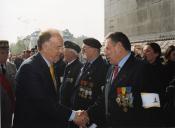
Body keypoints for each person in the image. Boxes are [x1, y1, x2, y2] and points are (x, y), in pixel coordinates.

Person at [81, 32, 164, 128]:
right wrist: (87, 113)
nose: (105, 52)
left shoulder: (143, 69)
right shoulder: (111, 69)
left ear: (119, 46)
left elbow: (152, 108)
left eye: (107, 48)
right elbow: (105, 98)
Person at [12, 29, 88, 128]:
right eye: (59, 47)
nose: (61, 51)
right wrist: (73, 115)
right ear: (45, 46)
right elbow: (43, 103)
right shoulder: (30, 68)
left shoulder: (48, 65)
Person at [71, 38, 108, 127]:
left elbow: (102, 97)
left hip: (92, 118)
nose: (82, 51)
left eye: (85, 49)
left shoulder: (103, 68)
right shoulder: (85, 65)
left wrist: (90, 116)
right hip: (79, 114)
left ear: (94, 50)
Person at [59, 40, 82, 108]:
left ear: (72, 53)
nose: (63, 54)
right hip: (63, 105)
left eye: (65, 52)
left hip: (71, 107)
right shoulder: (67, 66)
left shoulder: (79, 68)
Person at [0, 40, 16, 128]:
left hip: (9, 108)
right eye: (2, 53)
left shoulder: (12, 66)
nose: (5, 55)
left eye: (7, 52)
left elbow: (15, 86)